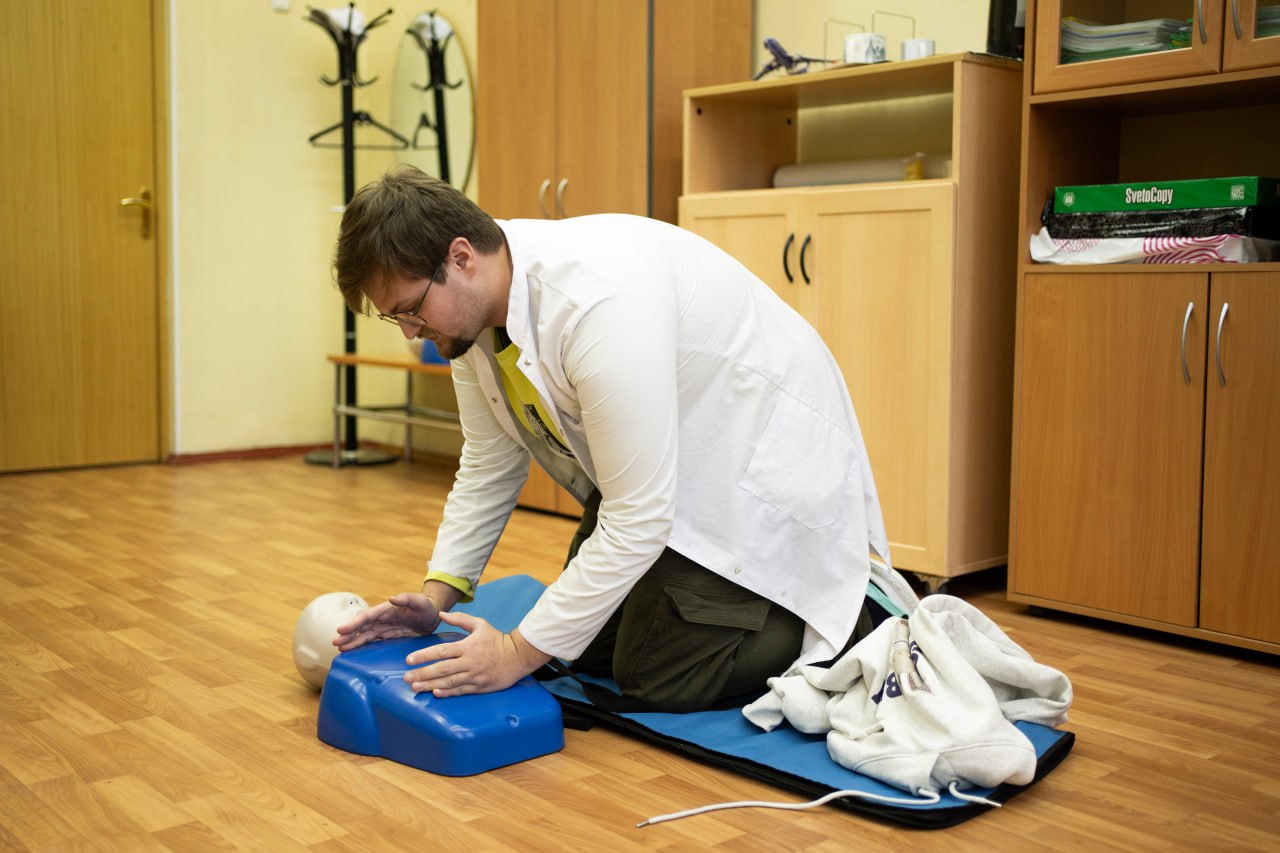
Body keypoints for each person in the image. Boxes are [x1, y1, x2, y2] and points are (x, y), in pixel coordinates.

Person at [332, 164, 891, 712]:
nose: (410, 332)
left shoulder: (595, 305)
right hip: (673, 461)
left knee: (656, 674)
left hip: (754, 461)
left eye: (409, 310)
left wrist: (514, 654)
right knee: (587, 651)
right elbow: (488, 462)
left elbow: (639, 517)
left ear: (461, 258)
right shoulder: (469, 322)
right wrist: (434, 600)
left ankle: (843, 616)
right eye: (395, 318)